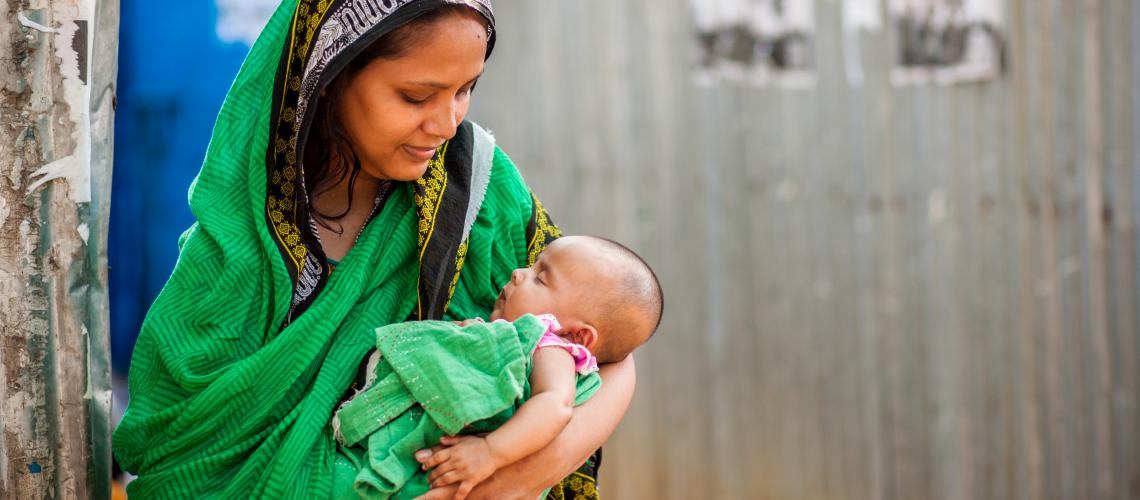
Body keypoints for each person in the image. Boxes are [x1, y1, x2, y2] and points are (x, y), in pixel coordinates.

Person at [112, 1, 638, 499]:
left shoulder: (477, 190)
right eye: (415, 97)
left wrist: (528, 469)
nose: (446, 123)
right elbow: (179, 450)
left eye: (465, 89)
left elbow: (606, 344)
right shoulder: (238, 247)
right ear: (328, 77)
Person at [333, 236, 663, 499]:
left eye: (541, 278)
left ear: (577, 335)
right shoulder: (519, 338)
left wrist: (491, 452)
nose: (519, 272)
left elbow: (555, 405)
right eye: (532, 266)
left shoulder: (551, 345)